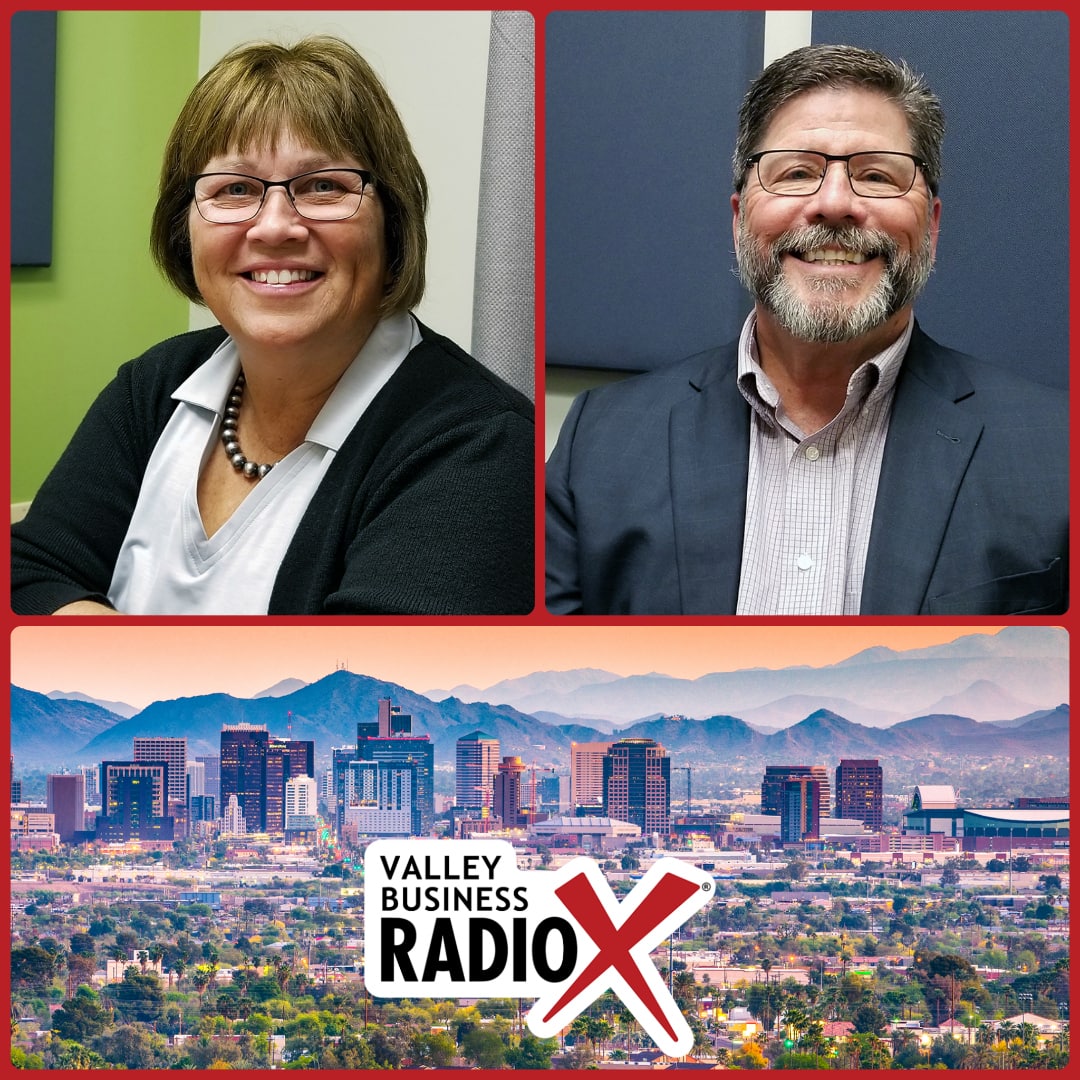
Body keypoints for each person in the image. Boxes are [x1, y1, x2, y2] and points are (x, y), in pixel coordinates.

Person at [12, 36, 534, 615]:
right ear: (184, 228)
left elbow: (355, 695)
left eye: (323, 186)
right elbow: (32, 572)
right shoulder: (155, 385)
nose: (275, 227)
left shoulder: (479, 445)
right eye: (236, 189)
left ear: (391, 224)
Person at [546, 44, 1066, 615]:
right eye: (797, 172)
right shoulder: (600, 442)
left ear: (932, 225)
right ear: (740, 216)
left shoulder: (1058, 453)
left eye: (876, 174)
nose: (835, 204)